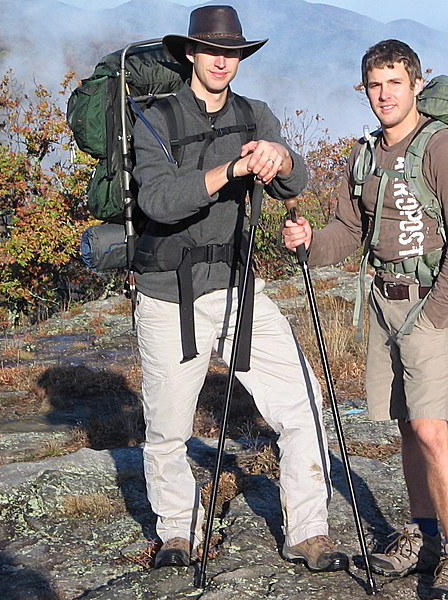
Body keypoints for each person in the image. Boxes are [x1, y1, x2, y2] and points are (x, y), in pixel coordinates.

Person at [131, 5, 348, 573]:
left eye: (232, 53)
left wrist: (283, 158)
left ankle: (307, 532)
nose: (222, 61)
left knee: (302, 404)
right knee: (168, 429)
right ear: (190, 54)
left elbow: (295, 182)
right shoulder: (154, 118)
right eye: (212, 51)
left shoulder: (257, 115)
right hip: (167, 295)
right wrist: (229, 171)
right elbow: (158, 200)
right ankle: (178, 531)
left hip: (236, 286)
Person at [283, 39, 448, 599]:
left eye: (394, 82)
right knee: (404, 426)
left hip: (431, 302)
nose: (384, 95)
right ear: (364, 89)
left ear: (416, 85)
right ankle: (421, 538)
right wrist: (308, 242)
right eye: (374, 85)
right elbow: (347, 234)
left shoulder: (443, 149)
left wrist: (437, 312)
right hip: (382, 301)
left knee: (431, 428)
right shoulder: (364, 155)